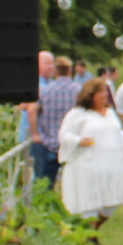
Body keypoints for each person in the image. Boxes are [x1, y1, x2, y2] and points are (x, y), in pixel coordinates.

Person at [59, 77, 123, 220]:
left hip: (111, 165)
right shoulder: (78, 114)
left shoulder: (110, 113)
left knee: (111, 203)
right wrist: (78, 141)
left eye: (105, 91)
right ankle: (89, 237)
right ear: (90, 95)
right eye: (100, 92)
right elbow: (64, 134)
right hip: (87, 166)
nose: (104, 95)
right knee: (89, 203)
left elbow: (117, 135)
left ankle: (95, 231)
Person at [31, 52, 77, 188]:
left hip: (48, 142)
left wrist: (35, 133)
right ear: (70, 71)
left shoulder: (45, 91)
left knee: (44, 183)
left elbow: (32, 110)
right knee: (71, 184)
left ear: (55, 71)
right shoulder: (79, 91)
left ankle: (45, 207)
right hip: (71, 142)